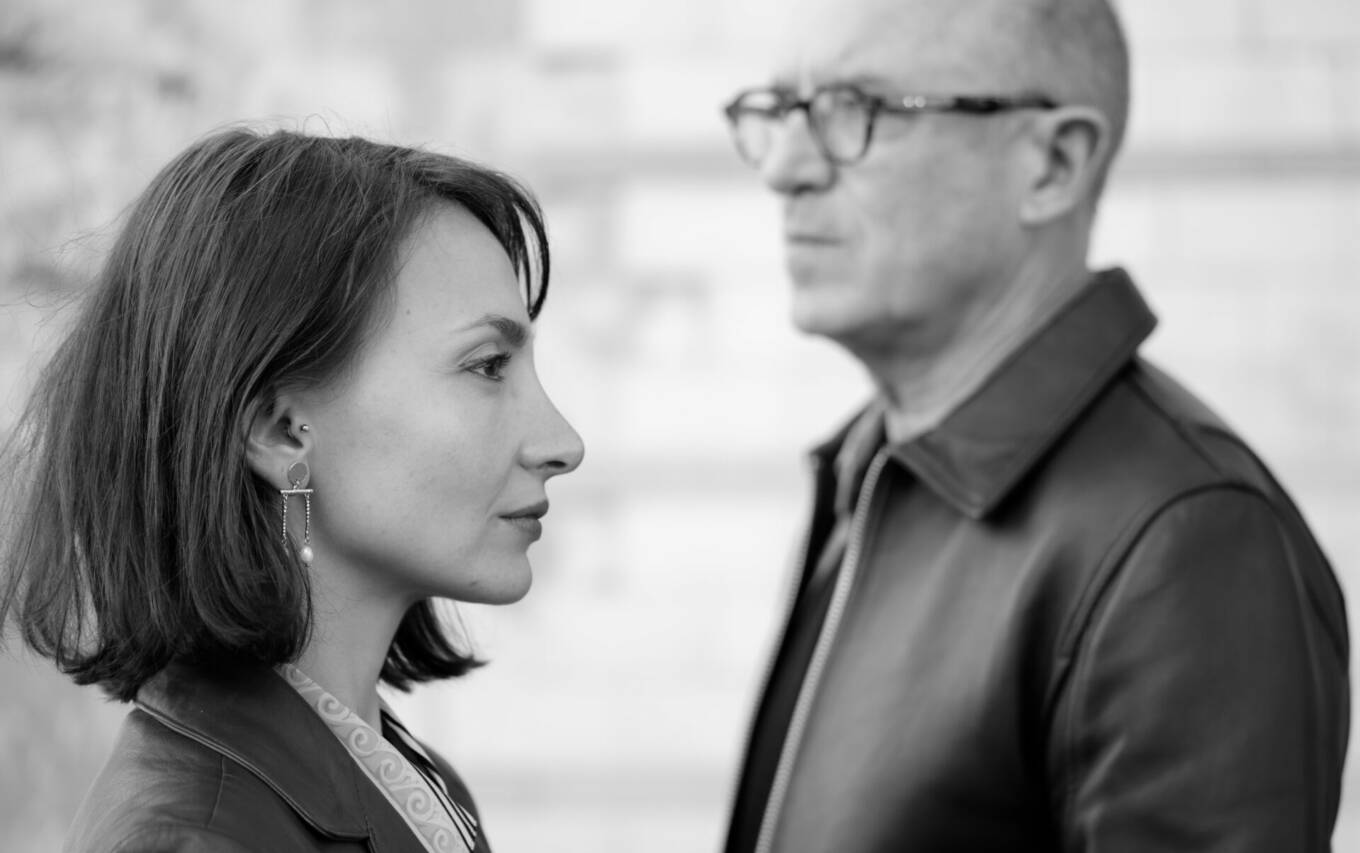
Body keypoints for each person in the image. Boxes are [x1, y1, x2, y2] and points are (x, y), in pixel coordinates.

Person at [719, 0, 1349, 850]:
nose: (785, 167)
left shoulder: (1188, 539)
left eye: (858, 108)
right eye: (782, 109)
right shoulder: (877, 467)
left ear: (1054, 163)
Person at [0, 127, 583, 852]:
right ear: (281, 431)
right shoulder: (197, 841)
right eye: (488, 365)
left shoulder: (415, 784)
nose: (563, 443)